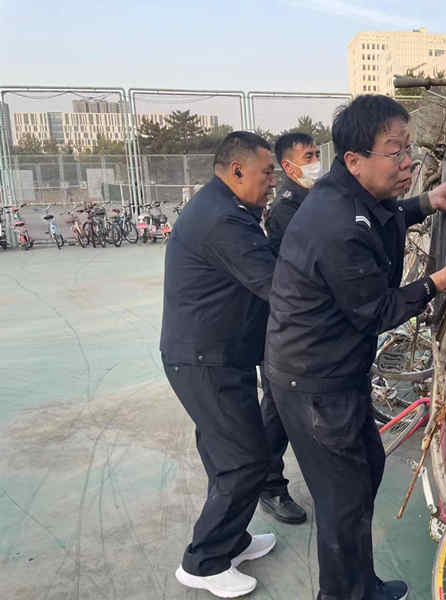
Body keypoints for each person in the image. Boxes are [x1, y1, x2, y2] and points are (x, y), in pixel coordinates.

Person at [266, 95, 446, 600]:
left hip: (337, 371)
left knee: (366, 473)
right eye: (395, 152)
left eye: (409, 149)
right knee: (342, 500)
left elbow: (388, 212)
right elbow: (376, 311)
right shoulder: (335, 223)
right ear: (354, 160)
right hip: (314, 382)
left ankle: (361, 585)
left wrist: (427, 202)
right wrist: (438, 282)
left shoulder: (353, 196)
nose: (408, 163)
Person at [160, 131, 280, 599]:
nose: (272, 181)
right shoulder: (222, 219)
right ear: (237, 170)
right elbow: (278, 286)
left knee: (224, 456)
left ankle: (232, 541)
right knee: (246, 460)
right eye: (266, 172)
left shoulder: (227, 207)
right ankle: (204, 561)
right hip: (204, 360)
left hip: (217, 354)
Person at [257, 131, 322, 524]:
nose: (316, 161)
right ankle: (269, 485)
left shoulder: (314, 199)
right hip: (289, 326)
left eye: (316, 153)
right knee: (279, 408)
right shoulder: (286, 209)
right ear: (288, 166)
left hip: (310, 326)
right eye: (308, 156)